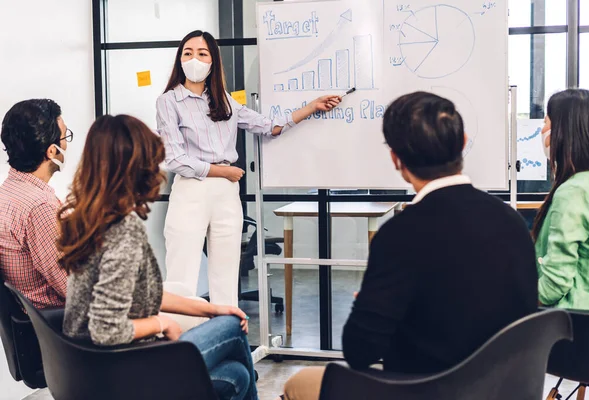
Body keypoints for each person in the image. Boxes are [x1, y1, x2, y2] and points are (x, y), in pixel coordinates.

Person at [283, 92, 538, 399]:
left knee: (297, 385)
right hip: (508, 387)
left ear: (396, 159)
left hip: (426, 390)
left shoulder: (400, 234)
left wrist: (371, 303)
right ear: (463, 142)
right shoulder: (511, 221)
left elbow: (359, 351)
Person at [60, 115, 258, 400]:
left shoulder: (87, 219)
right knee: (231, 328)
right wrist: (161, 324)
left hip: (85, 368)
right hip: (117, 370)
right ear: (135, 168)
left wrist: (211, 310)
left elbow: (146, 294)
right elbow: (106, 329)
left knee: (236, 375)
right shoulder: (121, 232)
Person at [157, 30, 342, 305]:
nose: (194, 59)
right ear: (179, 59)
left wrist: (312, 107)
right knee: (181, 272)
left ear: (213, 62)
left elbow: (271, 126)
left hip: (226, 194)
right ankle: (179, 342)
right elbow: (174, 159)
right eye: (188, 53)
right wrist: (222, 171)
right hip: (192, 190)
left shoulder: (226, 101)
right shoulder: (169, 101)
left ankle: (226, 337)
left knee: (226, 275)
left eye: (202, 53)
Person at [533, 89, 589, 309]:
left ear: (563, 132)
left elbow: (554, 285)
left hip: (576, 327)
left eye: (546, 122)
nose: (542, 131)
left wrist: (512, 302)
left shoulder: (574, 192)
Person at [0, 99, 70, 309]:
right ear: (52, 151)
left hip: (34, 325)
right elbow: (73, 288)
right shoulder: (39, 207)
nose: (67, 144)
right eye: (66, 137)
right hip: (60, 328)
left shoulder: (8, 192)